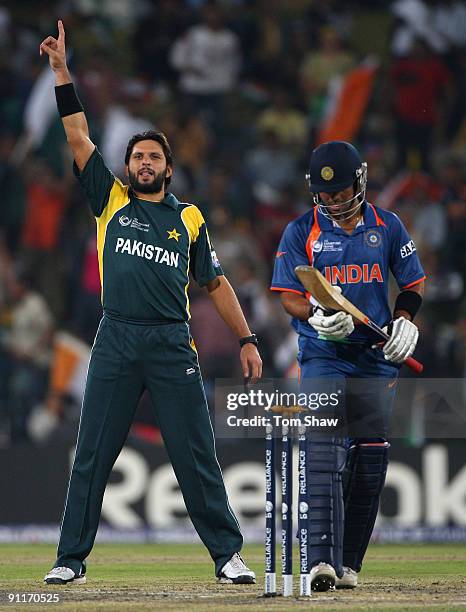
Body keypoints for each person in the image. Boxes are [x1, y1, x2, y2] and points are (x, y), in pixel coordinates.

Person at [40, 21, 262, 586]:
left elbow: (214, 284)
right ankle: (70, 560)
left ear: (167, 167)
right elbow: (76, 135)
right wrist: (63, 74)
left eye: (152, 157)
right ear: (129, 165)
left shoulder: (188, 219)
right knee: (91, 454)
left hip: (170, 341)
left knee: (195, 455)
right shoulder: (108, 199)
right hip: (116, 336)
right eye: (137, 156)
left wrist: (247, 338)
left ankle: (228, 556)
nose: (143, 163)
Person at [271, 141, 425, 591]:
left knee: (371, 458)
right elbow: (289, 296)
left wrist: (404, 322)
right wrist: (316, 316)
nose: (335, 202)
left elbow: (412, 283)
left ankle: (350, 564)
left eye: (341, 193)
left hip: (375, 358)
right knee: (323, 449)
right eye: (327, 195)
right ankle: (320, 561)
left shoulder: (388, 225)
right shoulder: (302, 230)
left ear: (359, 182)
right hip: (324, 351)